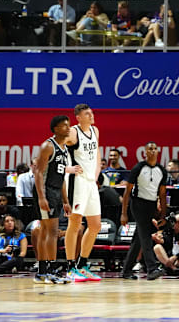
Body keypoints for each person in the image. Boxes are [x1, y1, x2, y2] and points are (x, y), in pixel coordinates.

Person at [32, 115, 75, 284]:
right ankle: (49, 269)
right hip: (46, 191)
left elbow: (62, 176)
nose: (68, 128)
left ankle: (43, 272)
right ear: (55, 128)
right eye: (64, 125)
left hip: (56, 191)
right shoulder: (48, 146)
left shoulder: (64, 149)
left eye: (69, 125)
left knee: (47, 231)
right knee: (50, 231)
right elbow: (38, 173)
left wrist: (65, 201)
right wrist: (42, 197)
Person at [64, 103, 103, 282]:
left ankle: (82, 265)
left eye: (91, 112)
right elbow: (52, 149)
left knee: (95, 225)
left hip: (90, 183)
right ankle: (70, 267)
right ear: (78, 117)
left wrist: (95, 175)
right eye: (87, 113)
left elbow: (96, 154)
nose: (91, 115)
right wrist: (67, 168)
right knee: (75, 223)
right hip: (76, 182)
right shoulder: (72, 132)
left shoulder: (95, 131)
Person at [120, 142, 168, 281]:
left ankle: (126, 270)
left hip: (151, 205)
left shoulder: (161, 170)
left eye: (155, 148)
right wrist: (124, 213)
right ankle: (152, 268)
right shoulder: (138, 168)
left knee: (138, 240)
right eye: (150, 149)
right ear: (145, 152)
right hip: (138, 204)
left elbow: (163, 194)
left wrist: (163, 214)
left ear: (158, 151)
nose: (152, 151)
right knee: (145, 235)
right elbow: (127, 191)